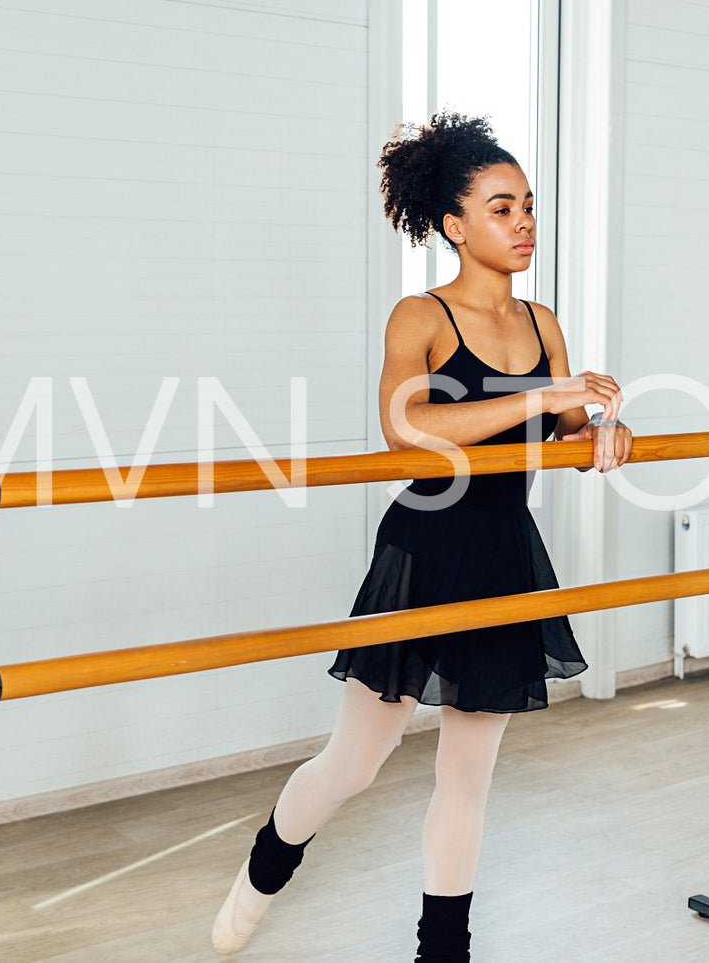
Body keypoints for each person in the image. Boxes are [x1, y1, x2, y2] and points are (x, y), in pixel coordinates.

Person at [211, 111, 633, 961]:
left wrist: (598, 437)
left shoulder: (543, 322)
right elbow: (406, 425)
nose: (522, 224)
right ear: (453, 224)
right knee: (355, 764)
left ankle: (442, 948)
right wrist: (535, 400)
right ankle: (263, 867)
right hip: (427, 544)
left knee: (467, 772)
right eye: (500, 208)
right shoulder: (421, 316)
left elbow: (556, 429)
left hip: (505, 548)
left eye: (528, 207)